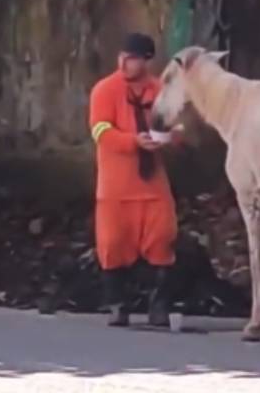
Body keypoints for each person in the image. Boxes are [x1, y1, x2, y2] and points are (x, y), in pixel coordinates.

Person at [88, 32, 179, 327]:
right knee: (112, 244)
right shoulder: (104, 90)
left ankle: (159, 305)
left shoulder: (160, 90)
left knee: (163, 237)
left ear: (147, 61)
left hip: (153, 184)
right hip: (115, 186)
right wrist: (132, 142)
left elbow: (177, 127)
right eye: (123, 57)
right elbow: (99, 130)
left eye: (133, 59)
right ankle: (117, 305)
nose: (125, 63)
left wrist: (168, 138)